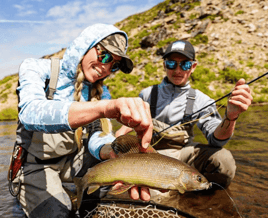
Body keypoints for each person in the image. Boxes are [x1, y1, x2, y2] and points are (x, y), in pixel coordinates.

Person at [9, 23, 153, 218]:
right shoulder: (36, 68)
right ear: (85, 46)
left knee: (100, 201)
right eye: (105, 56)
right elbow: (30, 113)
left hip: (73, 161)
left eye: (114, 65)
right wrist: (103, 108)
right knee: (59, 213)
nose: (106, 68)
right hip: (35, 165)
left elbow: (97, 136)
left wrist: (113, 151)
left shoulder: (100, 91)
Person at [116, 40, 253, 189]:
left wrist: (230, 117)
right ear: (164, 65)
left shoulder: (202, 100)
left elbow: (216, 140)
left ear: (193, 67)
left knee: (223, 160)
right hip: (150, 155)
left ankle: (199, 198)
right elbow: (128, 125)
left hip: (182, 156)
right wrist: (118, 138)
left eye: (185, 64)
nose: (178, 70)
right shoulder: (147, 94)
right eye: (171, 64)